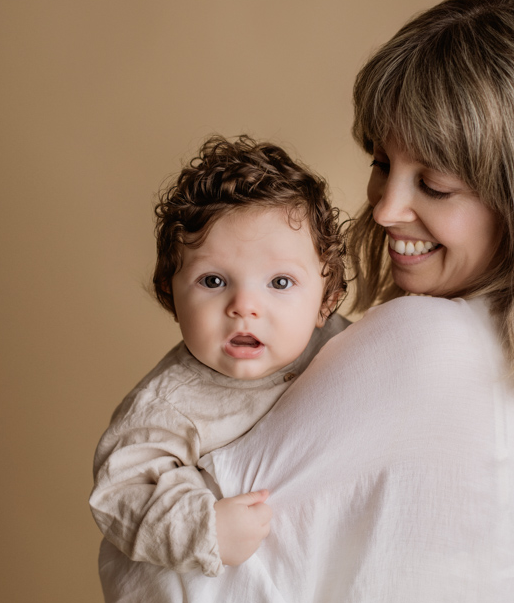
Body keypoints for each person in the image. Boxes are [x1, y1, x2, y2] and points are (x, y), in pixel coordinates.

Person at [97, 0, 514, 603]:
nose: (387, 208)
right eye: (382, 162)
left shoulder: (428, 344)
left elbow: (156, 581)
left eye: (435, 182)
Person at [89, 135, 349, 578]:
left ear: (329, 298)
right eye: (213, 281)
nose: (244, 306)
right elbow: (121, 492)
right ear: (169, 293)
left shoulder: (342, 344)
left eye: (280, 283)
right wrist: (204, 527)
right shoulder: (168, 404)